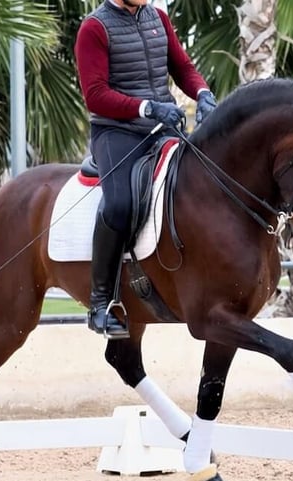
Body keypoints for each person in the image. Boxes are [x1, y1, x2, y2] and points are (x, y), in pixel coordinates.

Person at [75, 0, 217, 338]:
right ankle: (101, 303)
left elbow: (182, 67)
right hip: (117, 132)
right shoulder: (94, 28)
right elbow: (95, 95)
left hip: (163, 124)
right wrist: (146, 107)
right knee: (119, 205)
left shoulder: (159, 19)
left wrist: (203, 93)